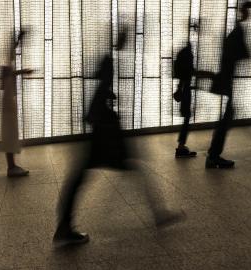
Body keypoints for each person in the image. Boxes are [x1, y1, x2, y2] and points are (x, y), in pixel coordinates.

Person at [53, 30, 185, 247]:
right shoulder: (108, 60)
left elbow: (99, 88)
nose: (127, 41)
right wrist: (105, 110)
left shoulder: (106, 58)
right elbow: (99, 88)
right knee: (119, 169)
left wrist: (106, 100)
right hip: (105, 130)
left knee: (82, 176)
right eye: (125, 37)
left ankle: (64, 226)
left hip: (102, 128)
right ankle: (159, 214)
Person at [206, 1, 251, 169]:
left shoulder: (235, 31)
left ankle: (213, 155)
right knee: (226, 118)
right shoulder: (237, 31)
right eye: (247, 11)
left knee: (226, 117)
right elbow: (240, 53)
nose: (249, 15)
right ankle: (213, 156)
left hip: (226, 79)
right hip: (226, 80)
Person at [173, 40, 214, 158]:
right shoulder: (188, 55)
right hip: (186, 90)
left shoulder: (183, 55)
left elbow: (186, 74)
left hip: (185, 89)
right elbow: (191, 72)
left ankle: (181, 145)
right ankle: (181, 146)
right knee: (187, 117)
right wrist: (208, 74)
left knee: (187, 116)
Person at [1, 31, 33, 177]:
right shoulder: (6, 64)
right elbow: (8, 73)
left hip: (8, 101)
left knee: (10, 133)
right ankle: (11, 168)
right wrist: (22, 71)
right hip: (8, 102)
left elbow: (6, 76)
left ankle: (12, 166)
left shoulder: (7, 64)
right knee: (10, 133)